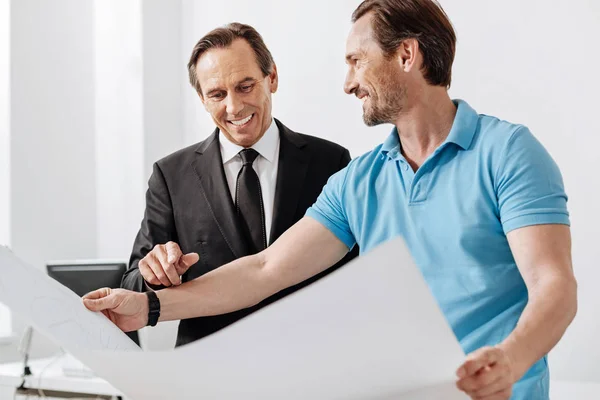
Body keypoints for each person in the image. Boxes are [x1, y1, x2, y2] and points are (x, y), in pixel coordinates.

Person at [85, 1, 577, 399]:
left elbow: (554, 287)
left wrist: (510, 361)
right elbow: (264, 271)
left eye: (356, 61)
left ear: (406, 56)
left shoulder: (508, 153)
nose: (347, 82)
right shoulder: (358, 180)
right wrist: (148, 308)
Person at [119, 22, 357, 347]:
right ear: (202, 98)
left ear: (271, 78)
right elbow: (131, 283)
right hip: (208, 371)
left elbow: (355, 277)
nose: (234, 107)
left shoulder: (331, 162)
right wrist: (151, 274)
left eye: (245, 87)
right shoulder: (170, 175)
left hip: (310, 363)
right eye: (217, 94)